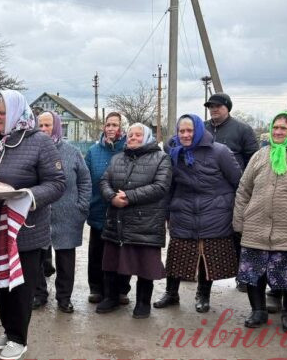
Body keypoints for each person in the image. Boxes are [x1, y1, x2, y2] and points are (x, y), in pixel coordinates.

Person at [0, 90, 65, 360]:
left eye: (4, 113)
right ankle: (8, 329)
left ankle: (19, 337)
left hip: (22, 230)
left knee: (19, 285)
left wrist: (28, 197)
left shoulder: (39, 142)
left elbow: (57, 183)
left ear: (17, 112)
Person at [154, 114, 242, 313]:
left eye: (190, 131)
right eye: (181, 131)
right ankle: (171, 293)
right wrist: (166, 212)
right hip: (183, 211)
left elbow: (238, 182)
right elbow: (170, 186)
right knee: (177, 253)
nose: (185, 135)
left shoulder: (220, 152)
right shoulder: (174, 153)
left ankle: (203, 295)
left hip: (215, 212)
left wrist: (232, 209)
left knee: (206, 257)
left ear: (199, 131)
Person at [234, 111, 287, 334]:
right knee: (254, 273)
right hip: (256, 225)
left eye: (284, 128)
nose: (278, 132)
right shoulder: (261, 155)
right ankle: (258, 311)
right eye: (275, 127)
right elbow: (244, 189)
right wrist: (240, 219)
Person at [97, 123, 172, 318]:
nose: (133, 138)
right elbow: (104, 181)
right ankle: (111, 298)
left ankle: (142, 302)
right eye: (130, 135)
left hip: (146, 222)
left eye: (138, 135)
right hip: (118, 219)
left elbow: (161, 187)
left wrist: (129, 196)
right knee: (112, 263)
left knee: (144, 265)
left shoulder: (161, 158)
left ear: (147, 137)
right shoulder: (117, 158)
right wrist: (112, 197)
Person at [34, 111, 90, 313]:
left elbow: (85, 180)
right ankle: (39, 294)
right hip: (38, 213)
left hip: (68, 214)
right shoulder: (32, 150)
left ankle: (64, 298)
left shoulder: (72, 152)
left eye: (47, 125)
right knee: (37, 257)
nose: (43, 130)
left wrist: (82, 206)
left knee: (65, 259)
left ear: (56, 126)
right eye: (40, 126)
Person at [203, 92, 259, 294]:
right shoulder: (202, 128)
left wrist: (248, 184)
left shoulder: (242, 129)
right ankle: (201, 274)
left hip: (236, 189)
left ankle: (242, 275)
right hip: (208, 190)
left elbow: (254, 158)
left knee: (238, 233)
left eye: (218, 106)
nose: (214, 109)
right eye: (211, 106)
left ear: (228, 107)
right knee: (207, 234)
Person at [84, 112, 130, 304]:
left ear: (122, 128)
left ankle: (121, 289)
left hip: (122, 210)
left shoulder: (129, 150)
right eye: (108, 125)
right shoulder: (94, 151)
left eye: (115, 125)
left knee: (121, 253)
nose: (111, 128)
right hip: (98, 209)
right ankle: (96, 288)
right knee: (97, 251)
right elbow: (85, 179)